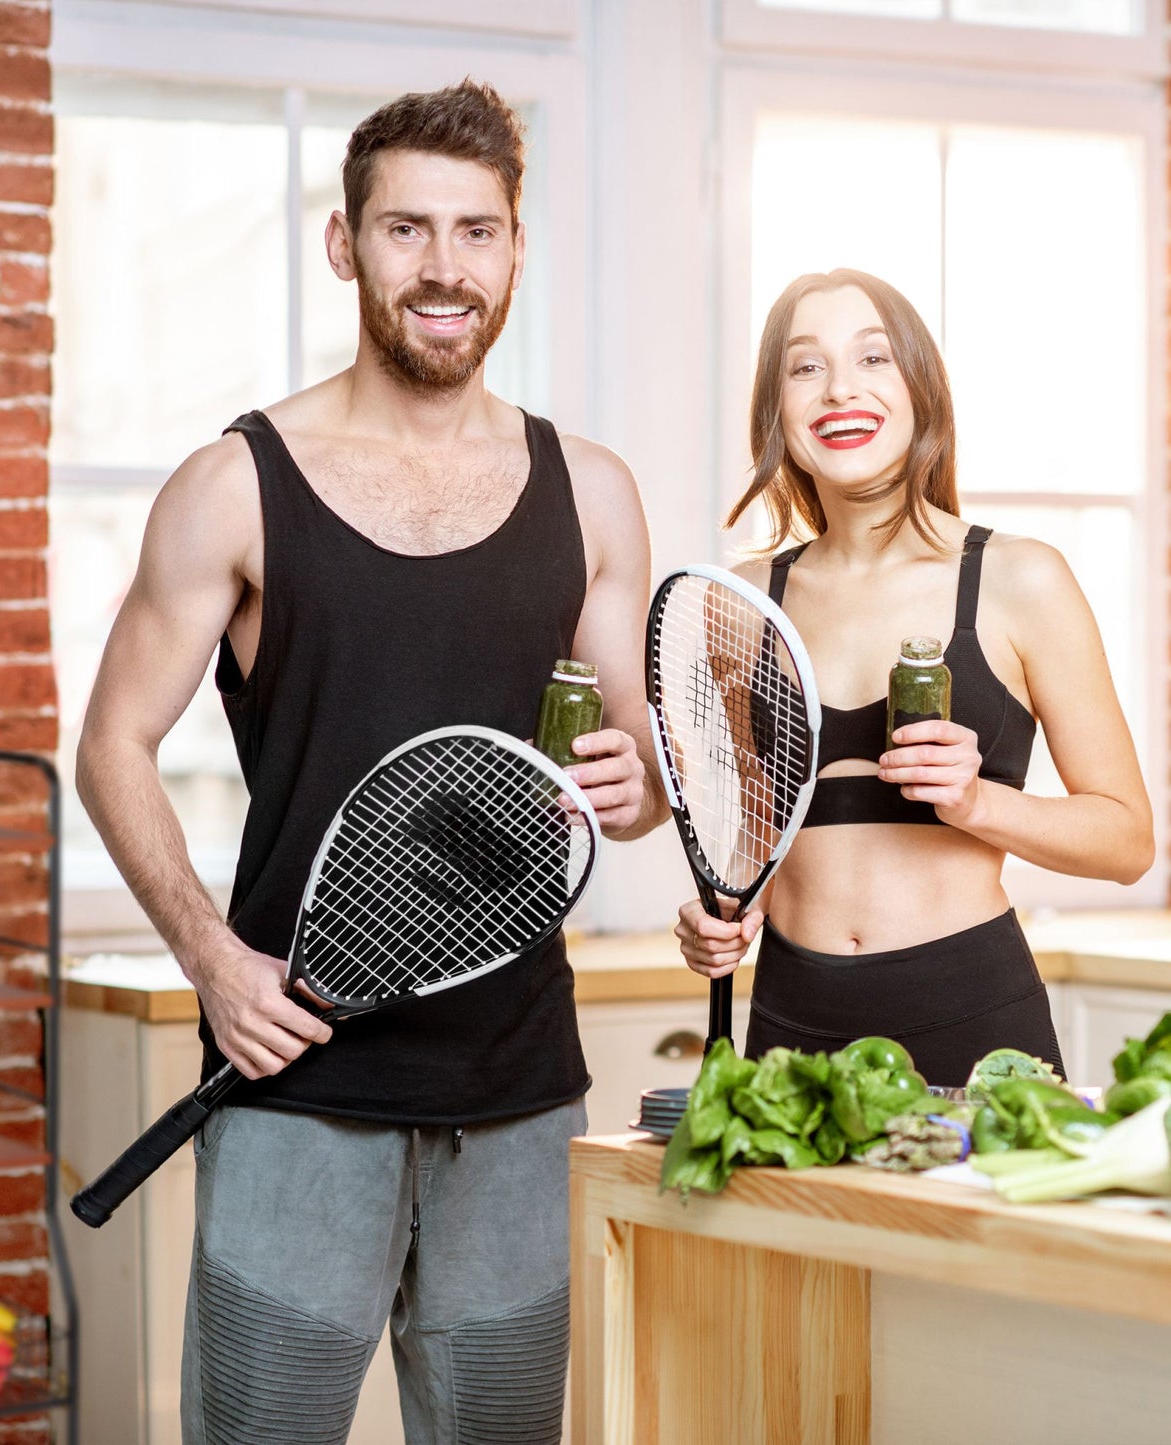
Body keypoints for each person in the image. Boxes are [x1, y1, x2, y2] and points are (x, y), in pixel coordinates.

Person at [75, 80, 665, 1445]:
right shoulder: (233, 485)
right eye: (406, 229)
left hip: (520, 1095)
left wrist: (635, 791)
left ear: (517, 249)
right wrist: (214, 962)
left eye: (476, 231)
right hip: (297, 1091)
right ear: (345, 245)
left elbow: (629, 770)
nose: (444, 268)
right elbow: (113, 744)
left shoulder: (594, 490)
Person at [676, 268, 1154, 1086]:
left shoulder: (1019, 578)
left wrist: (976, 802)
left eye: (872, 359)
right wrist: (720, 911)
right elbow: (760, 833)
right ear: (776, 409)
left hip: (969, 1014)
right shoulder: (741, 603)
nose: (838, 390)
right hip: (790, 1028)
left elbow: (1127, 841)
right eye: (804, 366)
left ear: (919, 387)